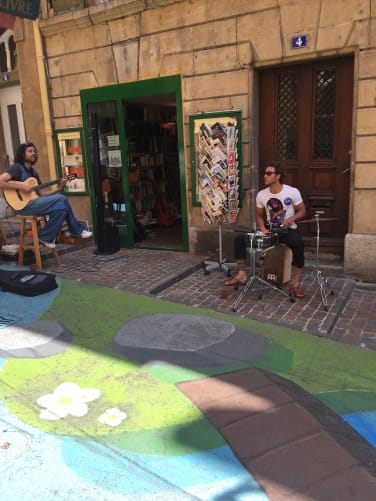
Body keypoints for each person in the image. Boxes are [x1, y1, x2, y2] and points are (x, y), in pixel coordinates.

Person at [225, 162, 306, 299]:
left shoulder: (292, 191)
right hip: (269, 230)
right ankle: (241, 274)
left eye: (269, 173)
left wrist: (291, 219)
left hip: (286, 230)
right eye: (265, 173)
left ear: (278, 176)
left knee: (298, 244)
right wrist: (262, 228)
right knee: (239, 240)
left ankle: (296, 284)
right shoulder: (262, 195)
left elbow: (302, 211)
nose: (265, 176)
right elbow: (259, 215)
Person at [0, 142, 92, 249]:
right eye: (30, 151)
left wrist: (59, 188)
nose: (34, 153)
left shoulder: (33, 173)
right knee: (62, 199)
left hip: (35, 204)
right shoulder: (17, 168)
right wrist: (22, 187)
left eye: (34, 151)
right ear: (23, 155)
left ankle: (45, 236)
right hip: (23, 207)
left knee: (61, 210)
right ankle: (77, 230)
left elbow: (42, 194)